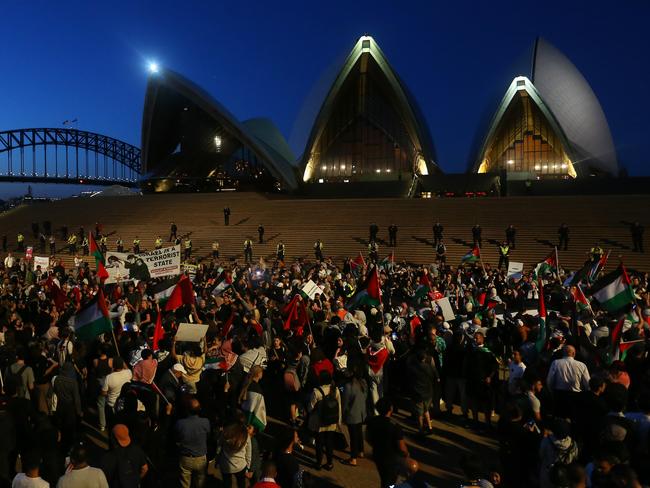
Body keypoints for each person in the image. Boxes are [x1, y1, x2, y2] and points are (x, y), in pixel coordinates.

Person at [366, 397, 409, 488]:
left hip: (378, 454)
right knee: (390, 481)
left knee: (384, 477)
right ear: (390, 409)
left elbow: (368, 438)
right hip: (391, 459)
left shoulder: (372, 421)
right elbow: (401, 447)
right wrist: (406, 454)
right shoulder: (394, 425)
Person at [307, 370, 341, 471]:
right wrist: (338, 422)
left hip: (319, 422)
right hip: (332, 422)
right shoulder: (335, 390)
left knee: (319, 443)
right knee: (329, 443)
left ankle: (318, 463)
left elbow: (310, 408)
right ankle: (330, 463)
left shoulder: (316, 391)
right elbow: (339, 406)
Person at [175, 398, 210, 488]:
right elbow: (209, 436)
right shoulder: (205, 422)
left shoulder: (180, 423)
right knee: (200, 482)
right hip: (201, 458)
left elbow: (176, 438)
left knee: (184, 484)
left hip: (185, 458)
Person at [341, 365, 367, 466]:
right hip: (361, 413)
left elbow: (345, 403)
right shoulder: (363, 383)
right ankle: (361, 451)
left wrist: (342, 415)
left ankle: (353, 458)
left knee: (353, 437)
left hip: (352, 415)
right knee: (359, 433)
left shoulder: (348, 387)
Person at [218, 420, 252, 488]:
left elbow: (219, 447)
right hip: (241, 466)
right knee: (241, 483)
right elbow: (249, 453)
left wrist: (217, 460)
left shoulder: (225, 433)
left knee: (227, 484)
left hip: (225, 465)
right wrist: (248, 467)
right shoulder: (246, 436)